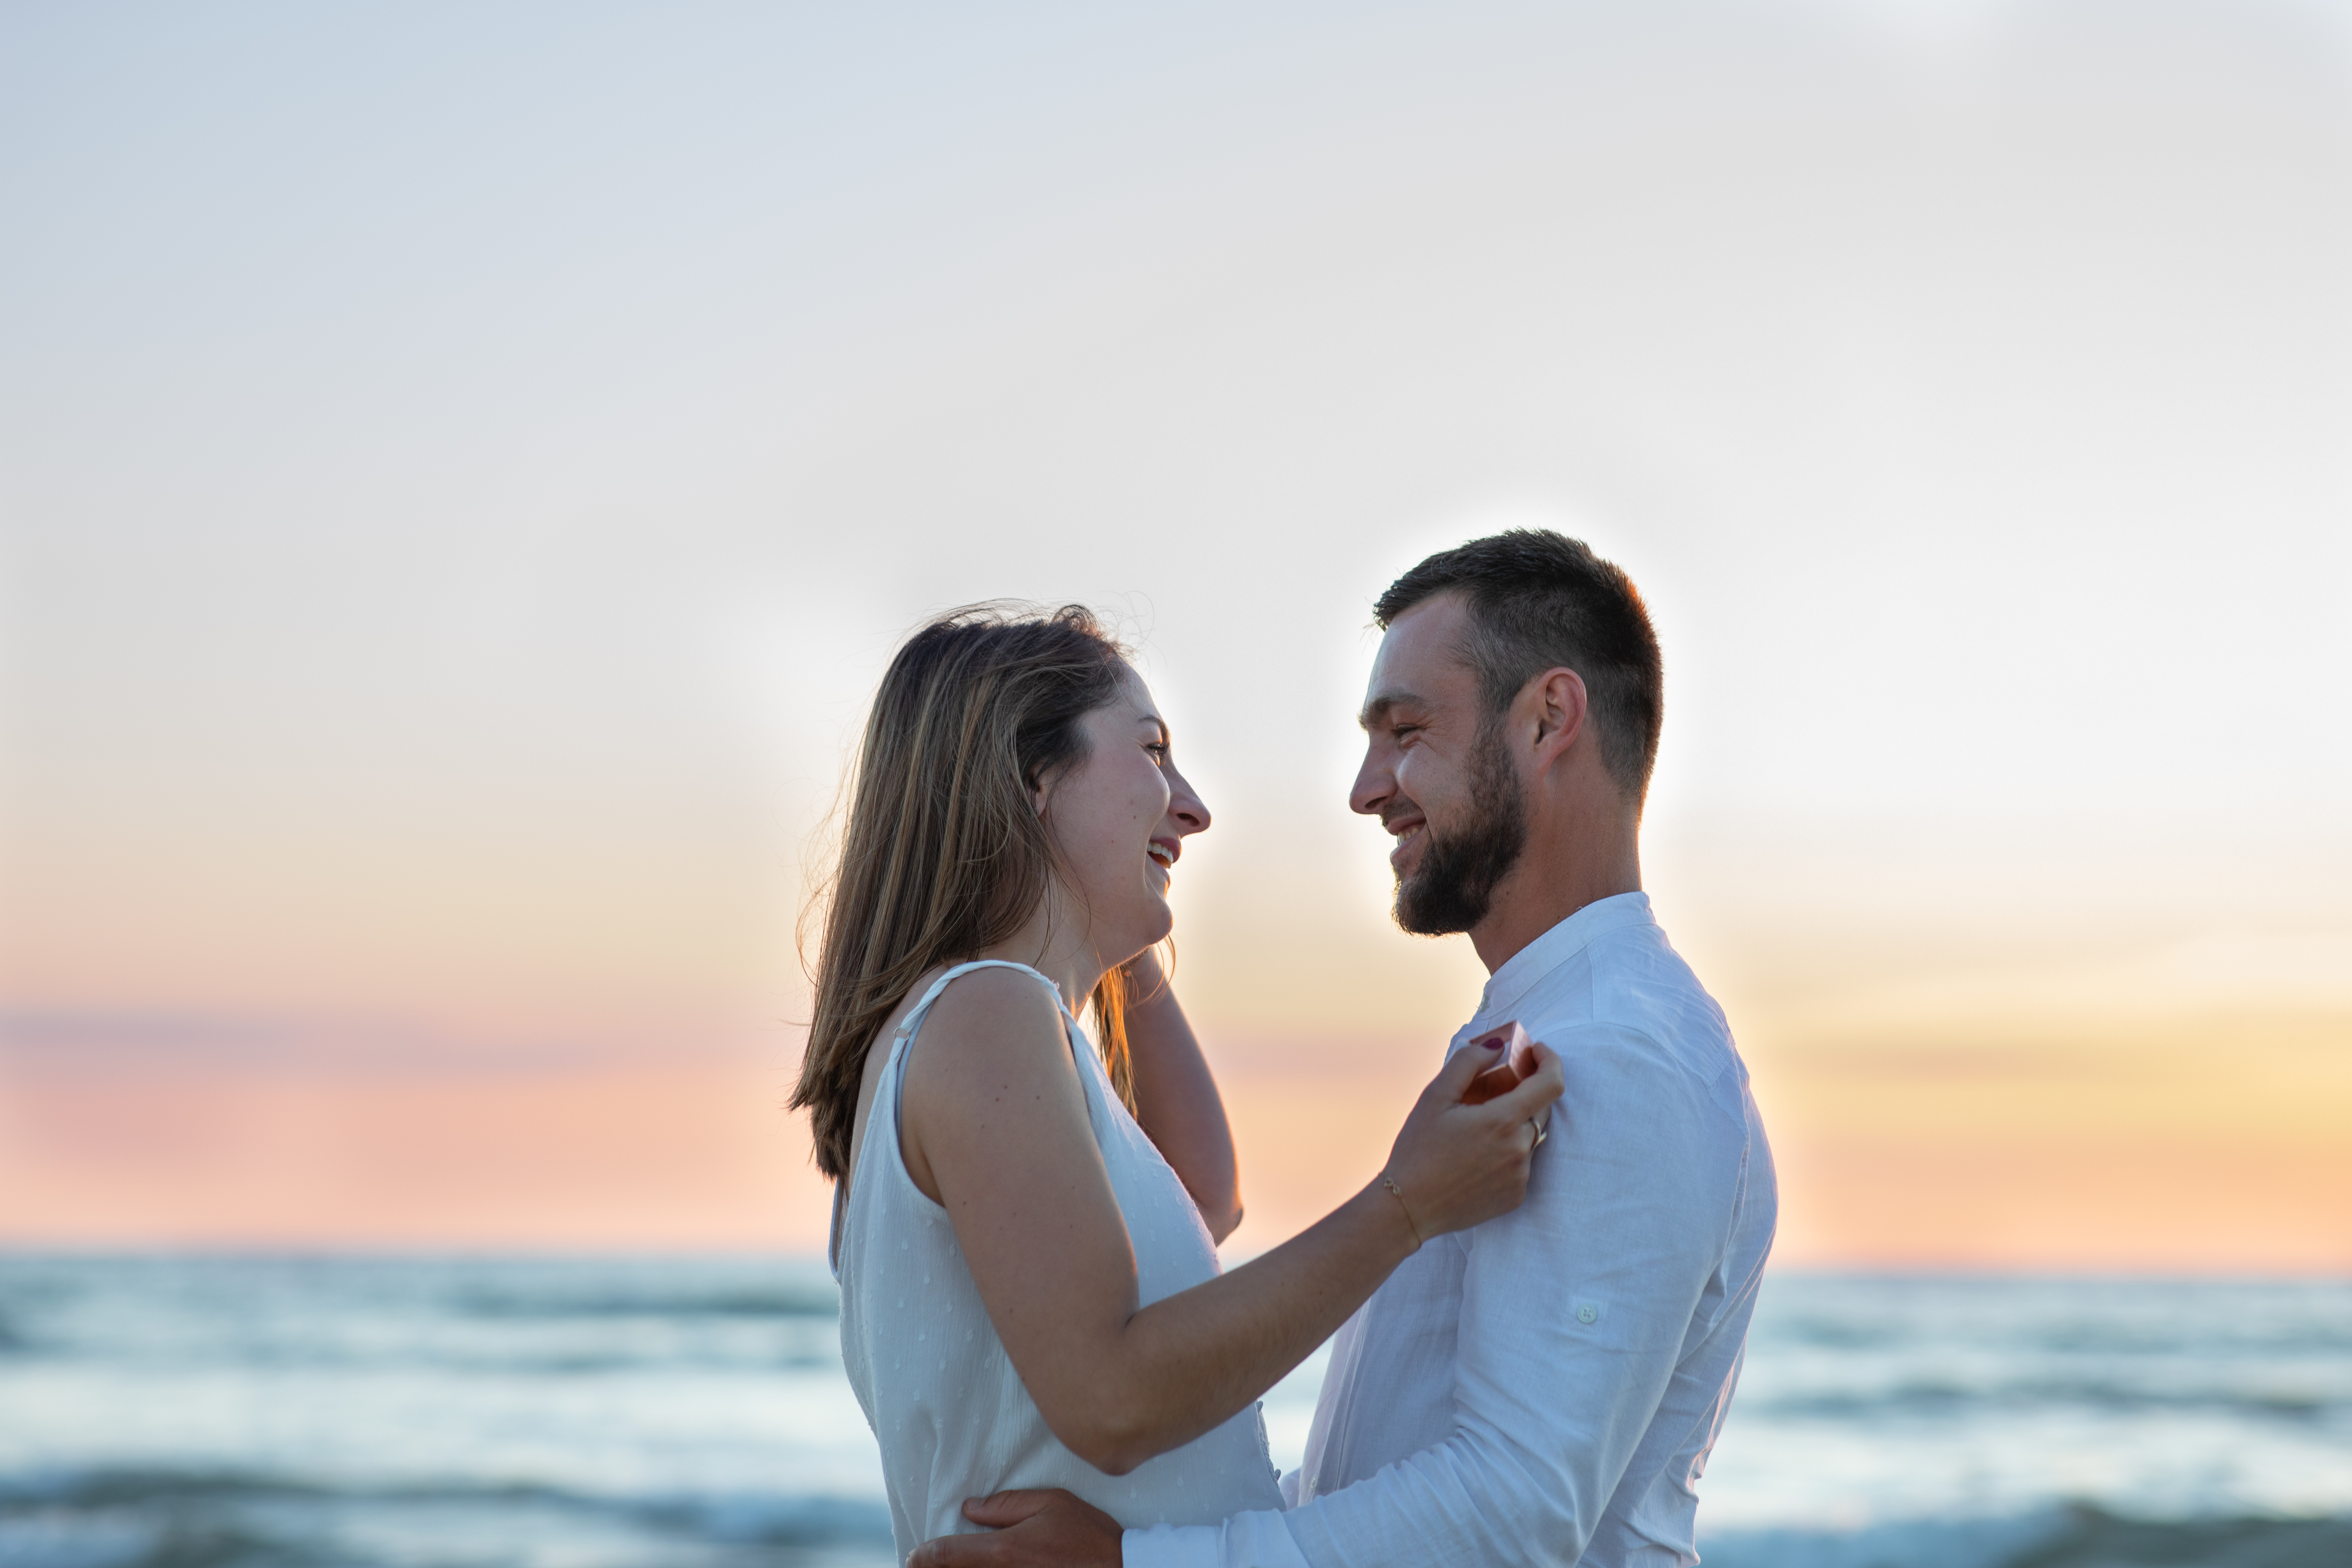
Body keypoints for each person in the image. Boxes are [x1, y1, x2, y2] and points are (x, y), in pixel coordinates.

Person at [911, 531, 1778, 1568]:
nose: (1368, 788)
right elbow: (1378, 1476)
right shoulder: (1552, 1025)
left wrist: (1134, 1567)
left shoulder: (1622, 1052)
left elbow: (1515, 1512)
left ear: (1550, 719)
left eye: (1406, 731)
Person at [793, 602, 1566, 1564]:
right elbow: (1110, 1397)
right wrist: (1411, 1204)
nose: (1193, 807)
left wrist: (1102, 921)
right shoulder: (987, 1016)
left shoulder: (983, 1023)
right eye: (1153, 751)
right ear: (1033, 778)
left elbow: (1201, 1198)